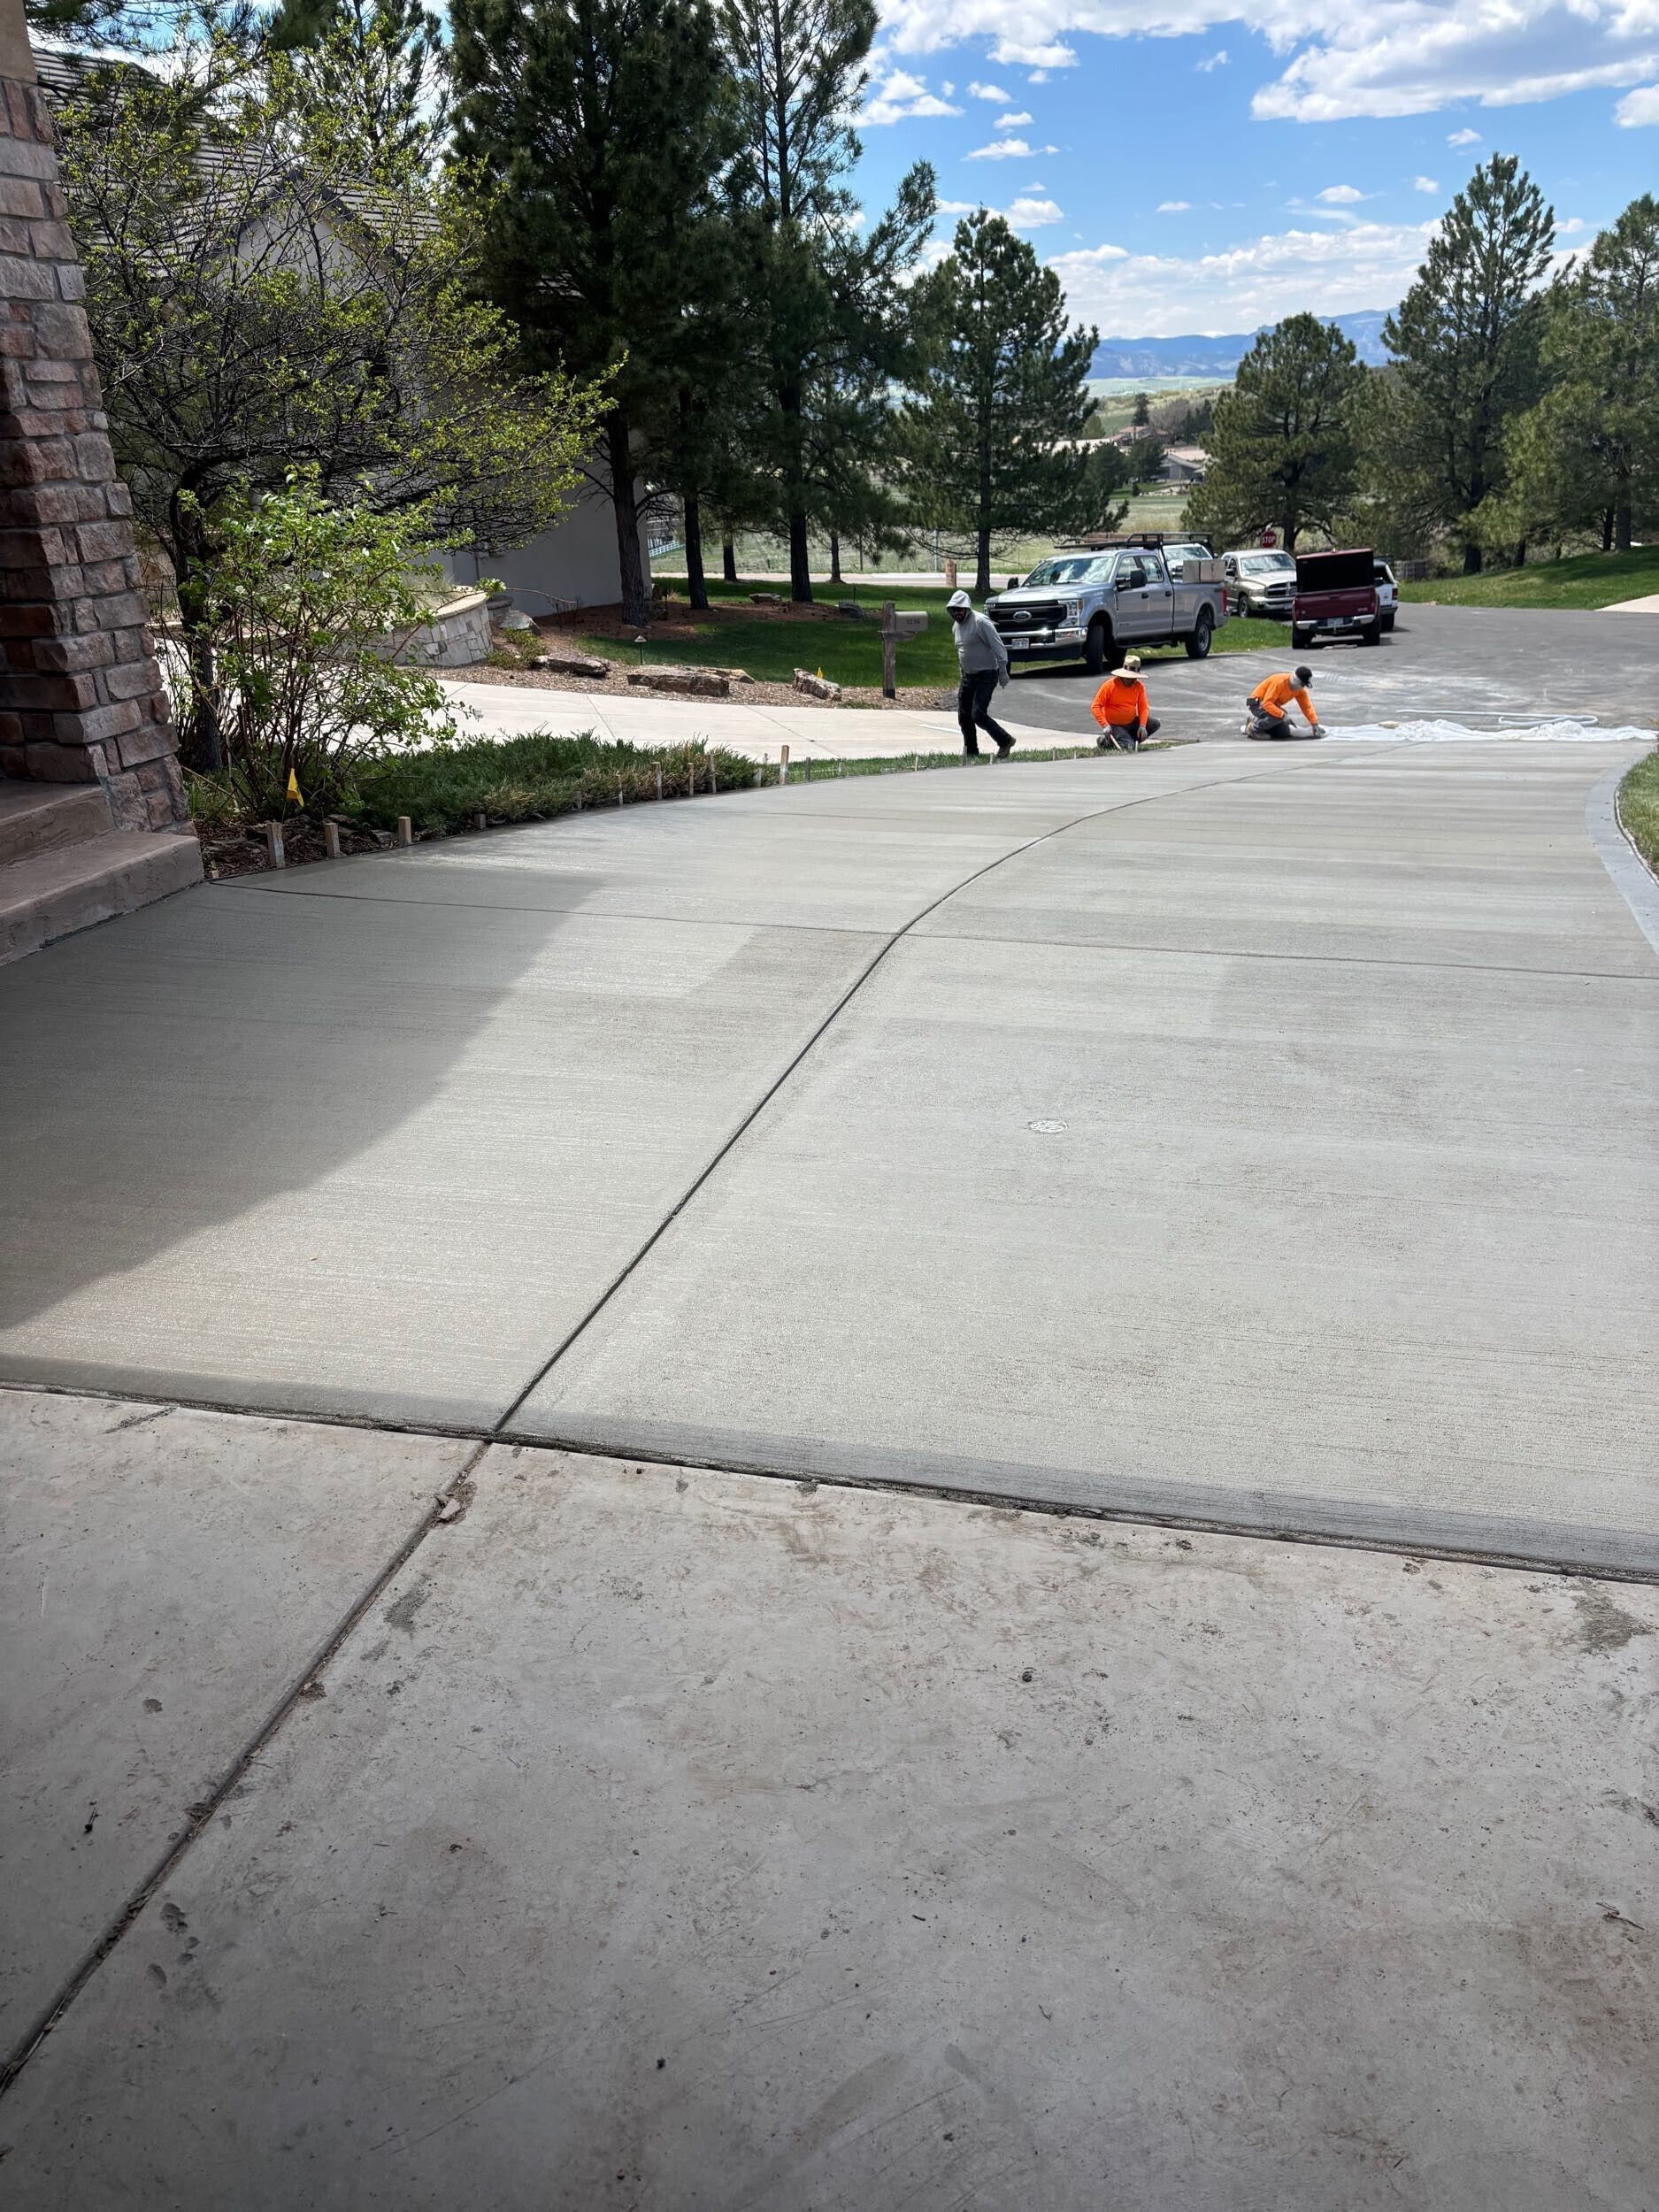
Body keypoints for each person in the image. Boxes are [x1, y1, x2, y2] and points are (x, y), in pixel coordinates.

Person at [946, 589, 1015, 758]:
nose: (957, 613)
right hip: (968, 676)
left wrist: (1003, 671)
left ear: (967, 608)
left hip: (987, 674)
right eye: (954, 610)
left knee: (977, 714)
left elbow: (998, 647)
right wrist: (962, 671)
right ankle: (971, 752)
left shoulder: (980, 622)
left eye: (960, 609)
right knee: (964, 716)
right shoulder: (956, 626)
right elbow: (962, 650)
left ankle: (1005, 740)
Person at [1091, 654, 1161, 750]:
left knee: (1155, 724)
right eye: (1129, 678)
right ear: (1123, 676)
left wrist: (1142, 726)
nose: (1131, 681)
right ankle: (1105, 741)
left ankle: (1127, 740)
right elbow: (1095, 706)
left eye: (1134, 678)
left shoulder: (1139, 686)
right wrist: (1105, 725)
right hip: (1114, 725)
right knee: (1129, 747)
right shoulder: (1109, 686)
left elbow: (1143, 708)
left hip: (1131, 723)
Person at [1245, 664, 1326, 739]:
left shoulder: (1300, 691)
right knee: (1279, 716)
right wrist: (1283, 715)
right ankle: (1254, 728)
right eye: (1301, 684)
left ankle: (1255, 722)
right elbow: (1267, 703)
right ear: (1294, 679)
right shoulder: (1279, 682)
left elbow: (1307, 707)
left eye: (1304, 685)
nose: (1302, 687)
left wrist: (1314, 724)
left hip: (1269, 705)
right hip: (1257, 703)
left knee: (1284, 732)